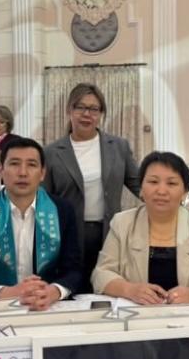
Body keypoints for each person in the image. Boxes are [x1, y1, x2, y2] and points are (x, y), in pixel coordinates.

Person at [91, 151, 189, 304]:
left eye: (171, 183)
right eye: (153, 182)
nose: (161, 191)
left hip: (188, 312)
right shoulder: (122, 223)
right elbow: (101, 273)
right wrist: (130, 290)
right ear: (141, 189)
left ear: (184, 193)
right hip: (136, 311)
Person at [0, 137, 82, 310]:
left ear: (42, 173)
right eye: (14, 164)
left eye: (31, 165)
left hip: (48, 307)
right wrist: (8, 293)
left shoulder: (63, 210)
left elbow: (74, 271)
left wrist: (53, 291)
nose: (23, 172)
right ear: (0, 170)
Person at [43, 83, 140, 289]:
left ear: (101, 113)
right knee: (72, 289)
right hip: (67, 237)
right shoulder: (51, 152)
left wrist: (184, 202)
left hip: (109, 234)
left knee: (107, 288)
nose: (87, 114)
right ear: (69, 110)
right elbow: (43, 199)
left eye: (94, 109)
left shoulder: (118, 147)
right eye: (80, 107)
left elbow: (140, 184)